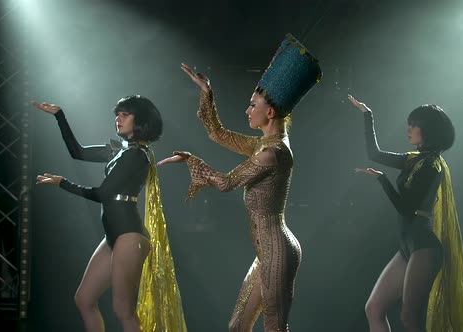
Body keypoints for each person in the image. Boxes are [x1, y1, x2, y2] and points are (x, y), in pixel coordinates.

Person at [158, 33, 321, 332]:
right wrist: (207, 92)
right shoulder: (267, 143)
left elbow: (224, 183)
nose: (247, 110)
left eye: (252, 105)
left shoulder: (272, 153)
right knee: (237, 327)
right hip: (267, 253)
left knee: (274, 328)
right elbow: (219, 134)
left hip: (277, 252)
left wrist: (192, 161)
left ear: (269, 112)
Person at [33, 96, 187, 332]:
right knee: (84, 299)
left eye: (125, 114)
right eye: (117, 114)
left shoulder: (137, 155)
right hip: (114, 236)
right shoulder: (119, 150)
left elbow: (102, 194)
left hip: (130, 235)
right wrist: (59, 115)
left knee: (123, 310)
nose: (118, 119)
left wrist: (62, 182)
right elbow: (78, 152)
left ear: (141, 121)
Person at [350, 95, 463, 332]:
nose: (409, 129)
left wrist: (382, 180)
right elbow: (374, 154)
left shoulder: (432, 166)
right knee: (374, 309)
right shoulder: (413, 160)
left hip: (424, 248)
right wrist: (368, 116)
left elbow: (406, 208)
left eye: (415, 124)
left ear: (428, 130)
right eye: (410, 123)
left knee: (410, 318)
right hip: (407, 247)